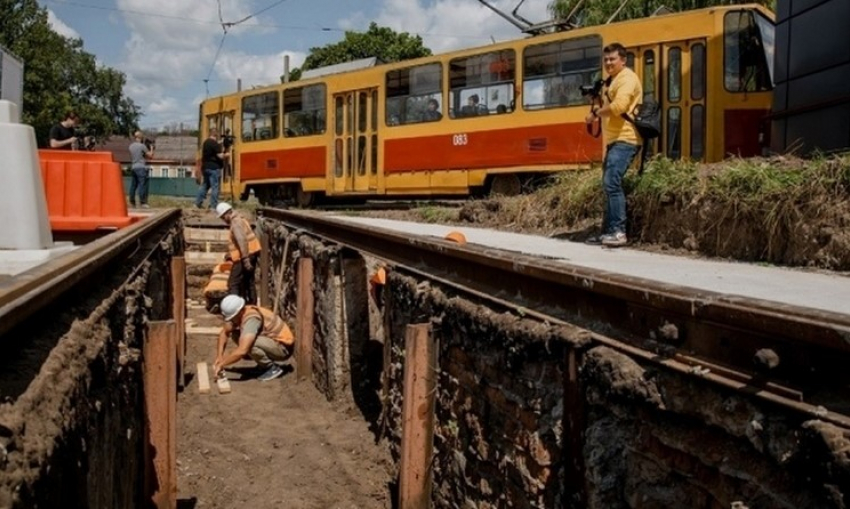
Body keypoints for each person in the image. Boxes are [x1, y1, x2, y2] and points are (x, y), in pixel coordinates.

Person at [584, 42, 642, 247]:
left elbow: (619, 107)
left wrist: (595, 114)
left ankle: (618, 232)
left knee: (612, 183)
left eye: (612, 59)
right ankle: (608, 231)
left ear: (623, 60)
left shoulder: (627, 78)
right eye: (606, 59)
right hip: (614, 140)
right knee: (608, 185)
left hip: (626, 139)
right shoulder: (612, 80)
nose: (608, 63)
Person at [214, 295, 294, 382]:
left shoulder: (251, 319)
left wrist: (222, 364)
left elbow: (242, 350)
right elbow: (224, 332)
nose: (231, 320)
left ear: (239, 312)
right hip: (271, 342)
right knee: (236, 335)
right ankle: (262, 364)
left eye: (232, 318)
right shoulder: (242, 312)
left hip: (283, 348)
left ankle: (272, 368)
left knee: (249, 345)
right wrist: (219, 356)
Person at [216, 202, 261, 305]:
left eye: (223, 217)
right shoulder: (241, 219)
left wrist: (245, 259)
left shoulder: (235, 223)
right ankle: (251, 306)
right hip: (251, 253)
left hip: (244, 256)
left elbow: (242, 240)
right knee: (248, 281)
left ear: (227, 214)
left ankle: (234, 306)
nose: (223, 220)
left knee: (233, 283)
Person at [195, 128, 227, 210]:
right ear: (216, 135)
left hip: (206, 168)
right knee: (215, 187)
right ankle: (213, 206)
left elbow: (213, 149)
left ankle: (197, 203)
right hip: (214, 168)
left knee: (205, 186)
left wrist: (221, 142)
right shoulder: (214, 144)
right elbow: (220, 156)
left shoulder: (206, 142)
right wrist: (226, 155)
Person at [128, 131, 154, 208]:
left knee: (133, 185)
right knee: (142, 184)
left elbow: (139, 155)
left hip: (134, 167)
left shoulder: (131, 146)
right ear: (140, 137)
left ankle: (132, 202)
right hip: (141, 167)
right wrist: (152, 149)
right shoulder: (142, 146)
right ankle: (143, 202)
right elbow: (150, 156)